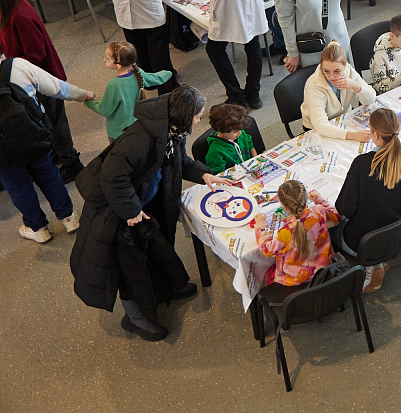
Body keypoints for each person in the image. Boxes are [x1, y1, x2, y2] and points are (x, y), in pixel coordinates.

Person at [70, 86, 233, 341]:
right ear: (184, 116)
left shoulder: (171, 129)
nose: (200, 121)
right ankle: (136, 319)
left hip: (144, 202)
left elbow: (179, 161)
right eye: (198, 116)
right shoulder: (140, 139)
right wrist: (132, 210)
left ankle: (164, 290)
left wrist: (202, 173)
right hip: (117, 214)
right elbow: (112, 176)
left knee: (157, 253)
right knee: (129, 269)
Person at [332, 108, 401, 291]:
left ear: (375, 135)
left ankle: (368, 267)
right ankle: (376, 265)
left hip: (363, 243)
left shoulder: (361, 165)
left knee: (330, 230)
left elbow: (344, 209)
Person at [0, 0, 84, 182]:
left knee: (56, 121)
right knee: (44, 119)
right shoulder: (6, 8)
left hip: (42, 78)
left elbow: (36, 54)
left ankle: (71, 162)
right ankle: (56, 151)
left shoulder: (20, 13)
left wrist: (14, 68)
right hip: (27, 76)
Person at [0, 56, 93, 242]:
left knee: (18, 187)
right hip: (32, 135)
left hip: (3, 153)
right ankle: (68, 216)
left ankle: (38, 228)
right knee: (48, 174)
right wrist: (86, 95)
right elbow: (57, 87)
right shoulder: (16, 66)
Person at [255, 179, 339, 286]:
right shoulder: (319, 210)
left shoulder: (285, 233)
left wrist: (261, 226)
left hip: (297, 278)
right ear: (306, 197)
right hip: (324, 266)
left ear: (284, 207)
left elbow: (267, 250)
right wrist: (319, 200)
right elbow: (336, 216)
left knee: (268, 272)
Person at [85, 41, 172, 142]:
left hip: (118, 131)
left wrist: (88, 101)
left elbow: (105, 109)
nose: (104, 59)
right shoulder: (138, 73)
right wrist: (168, 73)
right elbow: (155, 78)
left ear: (118, 65)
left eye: (107, 59)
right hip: (137, 125)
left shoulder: (113, 85)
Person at [300, 40, 374, 138]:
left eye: (337, 71)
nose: (331, 77)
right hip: (317, 128)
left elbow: (371, 99)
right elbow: (320, 125)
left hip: (344, 117)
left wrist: (355, 85)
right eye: (326, 71)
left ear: (345, 65)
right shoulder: (314, 84)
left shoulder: (349, 70)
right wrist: (351, 135)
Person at [204, 102, 259, 175]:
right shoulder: (215, 151)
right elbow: (219, 174)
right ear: (222, 129)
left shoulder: (241, 134)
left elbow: (250, 147)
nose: (240, 133)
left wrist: (256, 161)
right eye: (236, 131)